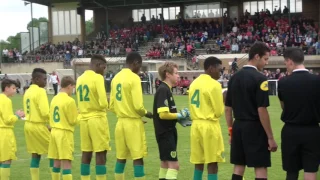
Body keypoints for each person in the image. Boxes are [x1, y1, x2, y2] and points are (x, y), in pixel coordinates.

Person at [225, 42, 278, 180]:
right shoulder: (260, 78)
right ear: (256, 56)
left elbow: (227, 108)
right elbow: (262, 109)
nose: (266, 63)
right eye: (265, 59)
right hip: (254, 127)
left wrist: (231, 130)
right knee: (260, 166)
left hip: (238, 127)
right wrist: (270, 138)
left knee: (238, 166)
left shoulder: (234, 78)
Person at [278, 48, 320, 180]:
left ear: (290, 61)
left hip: (291, 130)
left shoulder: (283, 82)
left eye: (285, 63)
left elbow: (283, 106)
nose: (286, 66)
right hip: (312, 130)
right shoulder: (317, 81)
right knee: (310, 170)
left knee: (291, 171)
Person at [109, 52, 153, 180]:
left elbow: (111, 105)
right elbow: (138, 106)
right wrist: (147, 114)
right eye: (140, 66)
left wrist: (124, 114)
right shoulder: (134, 78)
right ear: (135, 63)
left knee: (121, 158)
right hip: (132, 124)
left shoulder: (115, 78)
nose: (139, 69)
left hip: (120, 123)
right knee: (138, 158)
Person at [189, 57, 225, 180]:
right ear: (211, 68)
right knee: (213, 162)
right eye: (219, 70)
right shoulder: (214, 84)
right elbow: (219, 112)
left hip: (195, 126)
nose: (220, 73)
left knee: (198, 163)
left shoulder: (194, 83)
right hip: (209, 125)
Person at [153, 62, 190, 180]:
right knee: (174, 165)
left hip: (165, 131)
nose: (178, 76)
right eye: (176, 73)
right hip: (166, 133)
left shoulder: (165, 89)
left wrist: (179, 118)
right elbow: (163, 114)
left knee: (165, 164)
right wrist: (179, 115)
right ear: (168, 74)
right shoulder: (163, 90)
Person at [76, 54, 110, 180]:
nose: (104, 70)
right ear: (98, 65)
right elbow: (102, 103)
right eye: (104, 67)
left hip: (84, 119)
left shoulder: (80, 78)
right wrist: (108, 101)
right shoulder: (97, 78)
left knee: (86, 152)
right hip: (97, 118)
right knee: (101, 152)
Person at [23, 68, 52, 180]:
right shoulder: (40, 91)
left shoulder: (28, 91)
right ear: (36, 79)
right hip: (38, 125)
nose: (45, 81)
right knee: (54, 151)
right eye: (44, 79)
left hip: (28, 125)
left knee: (35, 154)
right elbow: (45, 112)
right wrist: (52, 123)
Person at [48, 76, 78, 180]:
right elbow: (73, 121)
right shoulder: (70, 101)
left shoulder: (54, 98)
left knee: (56, 161)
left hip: (54, 132)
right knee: (66, 162)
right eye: (73, 87)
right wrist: (79, 114)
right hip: (64, 132)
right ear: (69, 86)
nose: (73, 90)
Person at [0, 79, 25, 180]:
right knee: (6, 160)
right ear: (6, 88)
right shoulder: (6, 100)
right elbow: (8, 120)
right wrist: (17, 115)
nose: (15, 90)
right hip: (4, 133)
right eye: (13, 88)